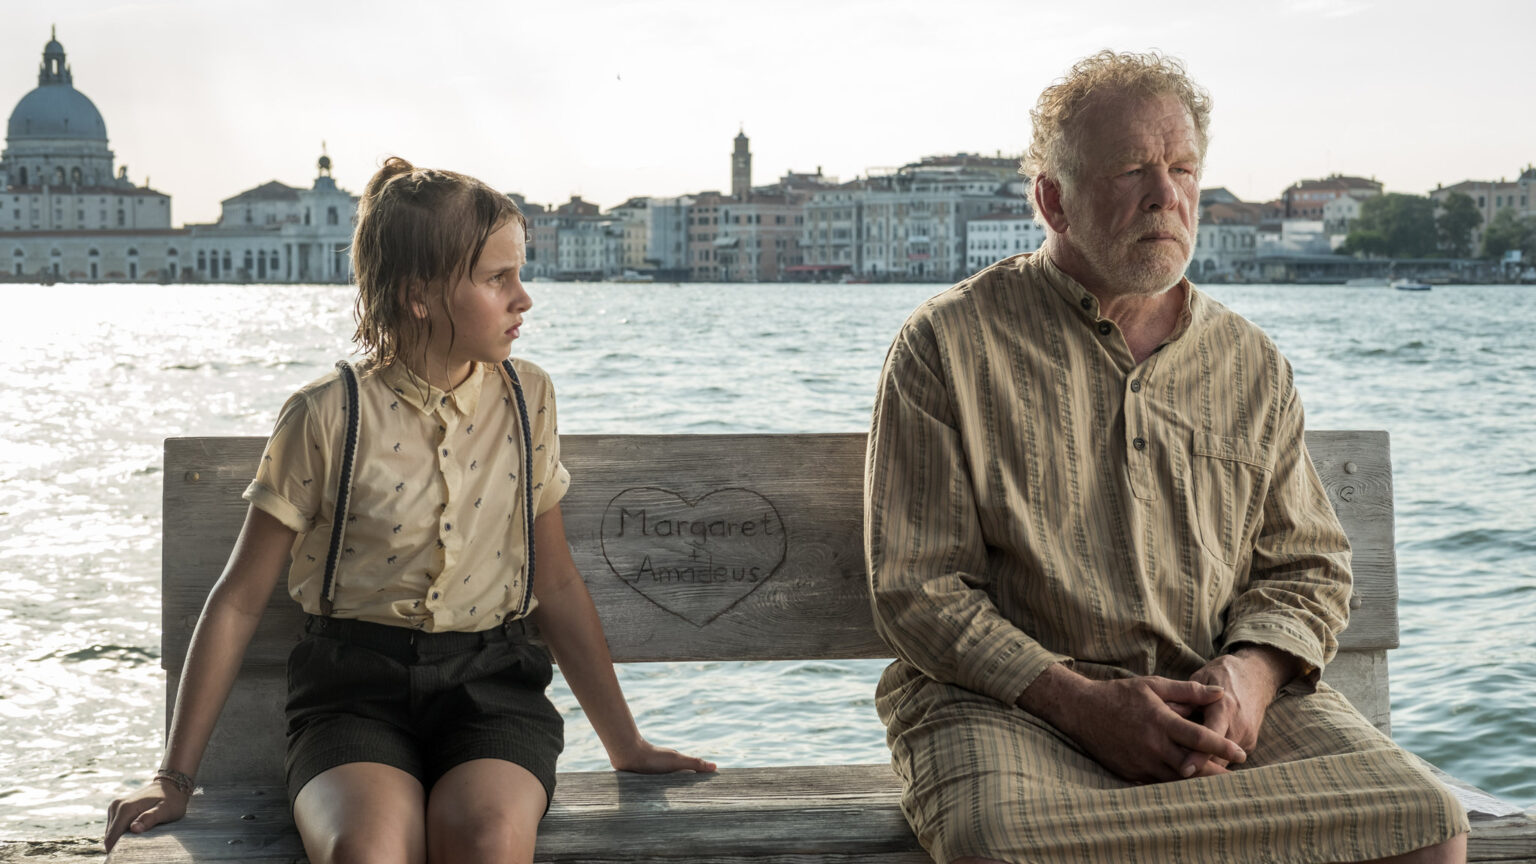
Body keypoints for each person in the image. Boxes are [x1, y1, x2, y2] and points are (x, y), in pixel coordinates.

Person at [864, 52, 1469, 864]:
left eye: (1183, 168)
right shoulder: (946, 345)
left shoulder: (1249, 362)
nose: (1167, 194)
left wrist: (1247, 681)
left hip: (1209, 697)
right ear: (1052, 198)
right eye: (1131, 170)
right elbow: (919, 589)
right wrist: (1081, 704)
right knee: (1001, 843)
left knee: (1425, 823)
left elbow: (1309, 566)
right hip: (1008, 704)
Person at [104, 157, 716, 863]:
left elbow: (557, 584)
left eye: (519, 273)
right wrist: (174, 778)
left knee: (485, 841)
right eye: (497, 279)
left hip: (491, 689)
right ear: (419, 296)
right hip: (352, 693)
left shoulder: (528, 399)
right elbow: (239, 601)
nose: (524, 299)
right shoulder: (328, 414)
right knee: (366, 850)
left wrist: (627, 745)